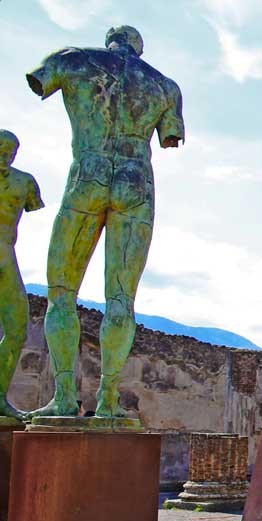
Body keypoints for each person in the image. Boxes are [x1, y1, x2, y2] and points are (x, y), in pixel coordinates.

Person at [24, 26, 184, 420]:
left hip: (88, 174)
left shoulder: (74, 57)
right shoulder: (163, 86)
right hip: (136, 183)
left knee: (61, 293)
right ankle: (108, 398)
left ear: (112, 40)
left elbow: (39, 80)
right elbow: (170, 137)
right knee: (121, 301)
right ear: (140, 47)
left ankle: (64, 396)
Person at [0, 129, 43, 421]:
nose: (5, 155)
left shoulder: (24, 182)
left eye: (10, 151)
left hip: (5, 254)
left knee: (17, 328)